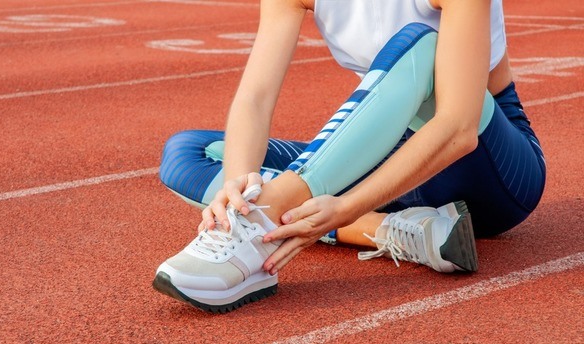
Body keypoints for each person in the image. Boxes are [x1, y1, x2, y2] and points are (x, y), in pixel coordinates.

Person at [153, 0, 546, 313]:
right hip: (390, 162)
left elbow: (458, 128)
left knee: (421, 42)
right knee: (190, 153)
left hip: (490, 169)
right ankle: (387, 229)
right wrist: (238, 186)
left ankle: (261, 220)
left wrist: (345, 205)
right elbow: (255, 99)